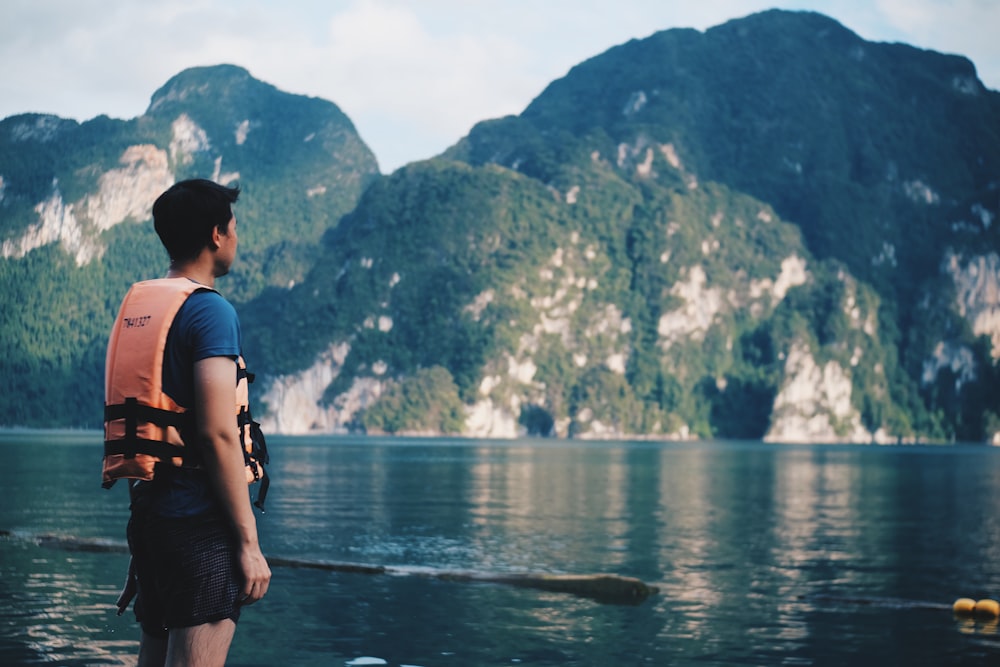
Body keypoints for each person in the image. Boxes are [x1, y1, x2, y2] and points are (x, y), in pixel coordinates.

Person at [102, 178, 270, 666]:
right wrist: (248, 543)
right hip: (198, 519)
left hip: (151, 516)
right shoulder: (210, 312)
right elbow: (217, 433)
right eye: (234, 227)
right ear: (218, 234)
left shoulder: (144, 308)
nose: (237, 237)